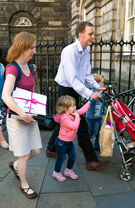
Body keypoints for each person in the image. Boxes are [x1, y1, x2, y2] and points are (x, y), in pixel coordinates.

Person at [46, 21, 109, 170]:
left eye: (93, 34)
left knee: (65, 120)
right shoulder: (69, 51)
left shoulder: (86, 51)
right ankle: (90, 160)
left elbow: (87, 75)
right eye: (90, 34)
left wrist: (97, 87)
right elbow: (72, 79)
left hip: (76, 89)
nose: (93, 36)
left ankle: (50, 148)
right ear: (81, 35)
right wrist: (90, 93)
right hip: (67, 90)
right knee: (80, 124)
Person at [2, 32, 41, 199]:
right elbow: (5, 95)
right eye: (32, 48)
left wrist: (35, 108)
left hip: (29, 116)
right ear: (23, 47)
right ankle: (24, 184)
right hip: (17, 119)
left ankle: (16, 165)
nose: (34, 51)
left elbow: (31, 91)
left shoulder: (30, 67)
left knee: (37, 150)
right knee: (24, 154)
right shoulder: (12, 68)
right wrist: (22, 114)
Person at [52, 95, 91, 182]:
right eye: (73, 106)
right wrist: (77, 117)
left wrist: (90, 101)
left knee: (73, 157)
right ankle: (56, 172)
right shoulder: (64, 118)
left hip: (69, 142)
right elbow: (74, 126)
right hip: (61, 143)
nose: (75, 107)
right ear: (66, 109)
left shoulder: (71, 113)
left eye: (74, 105)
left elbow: (81, 110)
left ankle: (68, 170)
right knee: (61, 158)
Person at [87, 73, 105, 150]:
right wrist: (94, 98)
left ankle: (97, 146)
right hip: (92, 116)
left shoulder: (100, 91)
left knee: (100, 132)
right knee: (94, 132)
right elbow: (89, 102)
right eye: (102, 82)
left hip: (98, 115)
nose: (103, 84)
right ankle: (83, 141)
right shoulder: (92, 92)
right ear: (96, 83)